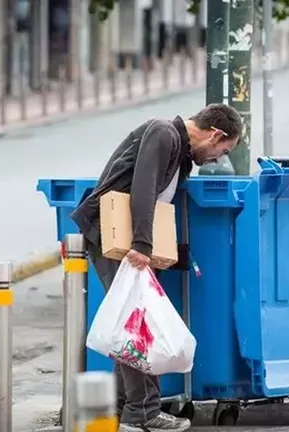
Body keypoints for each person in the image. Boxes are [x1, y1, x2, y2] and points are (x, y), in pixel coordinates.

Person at [70, 104, 243, 432]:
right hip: (115, 237)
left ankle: (126, 409)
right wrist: (142, 245)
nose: (221, 157)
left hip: (125, 239)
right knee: (136, 324)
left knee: (130, 322)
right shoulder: (164, 133)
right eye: (224, 149)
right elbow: (144, 187)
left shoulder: (180, 151)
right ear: (215, 134)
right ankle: (142, 411)